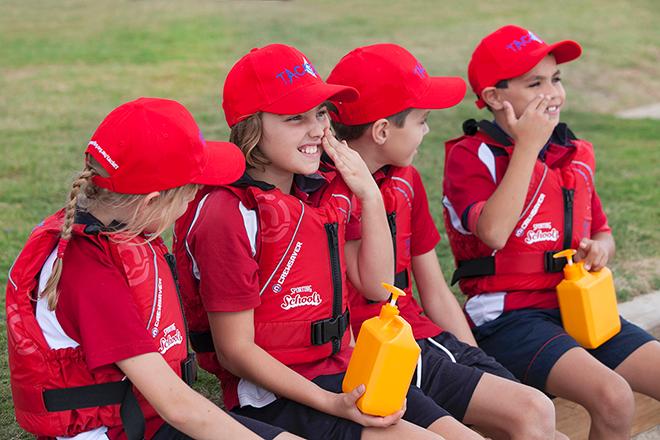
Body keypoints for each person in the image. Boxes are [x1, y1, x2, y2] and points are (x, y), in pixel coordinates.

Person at [173, 43, 482, 439]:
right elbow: (235, 352)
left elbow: (377, 286)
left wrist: (369, 196)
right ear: (251, 126)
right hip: (273, 397)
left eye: (320, 113)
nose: (318, 129)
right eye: (295, 118)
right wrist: (333, 404)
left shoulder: (318, 193)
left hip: (342, 373)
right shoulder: (229, 212)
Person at [6, 97, 295, 440]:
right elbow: (178, 407)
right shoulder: (88, 271)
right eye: (192, 190)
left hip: (148, 420)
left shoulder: (117, 232)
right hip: (120, 431)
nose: (194, 198)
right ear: (151, 202)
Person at [326, 43, 563, 440]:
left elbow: (433, 289)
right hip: (388, 349)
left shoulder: (406, 179)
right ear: (383, 130)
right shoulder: (334, 193)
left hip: (426, 337)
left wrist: (477, 359)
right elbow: (370, 287)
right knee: (532, 413)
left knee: (538, 417)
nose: (428, 130)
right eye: (421, 120)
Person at [442, 25, 660, 439]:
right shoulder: (473, 156)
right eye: (535, 83)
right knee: (613, 395)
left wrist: (600, 249)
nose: (553, 93)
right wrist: (526, 146)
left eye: (556, 79)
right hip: (509, 316)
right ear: (494, 98)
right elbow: (493, 233)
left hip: (578, 307)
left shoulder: (572, 152)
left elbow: (603, 230)